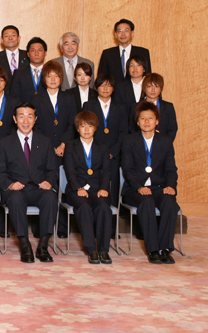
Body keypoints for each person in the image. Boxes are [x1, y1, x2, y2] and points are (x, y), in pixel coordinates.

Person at [0, 103, 58, 263]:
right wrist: (9, 184)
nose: (25, 120)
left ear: (35, 119)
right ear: (15, 119)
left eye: (30, 116)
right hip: (16, 189)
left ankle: (43, 245)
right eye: (21, 116)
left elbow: (52, 170)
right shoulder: (5, 143)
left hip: (38, 188)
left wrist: (49, 182)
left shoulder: (45, 142)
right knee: (15, 199)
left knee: (50, 197)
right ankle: (25, 245)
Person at [121, 102, 179, 264]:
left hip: (159, 187)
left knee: (169, 202)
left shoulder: (165, 141)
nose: (147, 121)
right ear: (137, 122)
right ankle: (153, 249)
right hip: (135, 189)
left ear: (157, 121)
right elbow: (128, 169)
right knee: (146, 202)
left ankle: (166, 249)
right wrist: (139, 187)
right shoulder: (129, 141)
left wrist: (170, 186)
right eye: (143, 118)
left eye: (150, 118)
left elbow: (171, 169)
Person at [63, 111, 112, 264]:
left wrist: (104, 188)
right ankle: (91, 250)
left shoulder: (102, 146)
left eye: (89, 126)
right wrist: (78, 188)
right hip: (76, 189)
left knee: (104, 207)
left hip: (98, 189)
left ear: (95, 128)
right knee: (83, 206)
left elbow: (105, 171)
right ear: (77, 128)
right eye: (82, 126)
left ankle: (104, 250)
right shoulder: (70, 146)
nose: (86, 129)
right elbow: (69, 171)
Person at [82, 73, 128, 236]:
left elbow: (123, 132)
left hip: (113, 156)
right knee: (94, 187)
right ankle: (94, 227)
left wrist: (113, 152)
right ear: (96, 88)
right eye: (102, 85)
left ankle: (111, 229)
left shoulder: (120, 107)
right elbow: (84, 130)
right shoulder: (88, 105)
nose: (105, 88)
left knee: (112, 189)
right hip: (94, 155)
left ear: (113, 88)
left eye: (109, 85)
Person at [30, 60, 76, 160]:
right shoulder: (36, 99)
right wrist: (48, 145)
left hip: (65, 148)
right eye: (49, 76)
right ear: (44, 78)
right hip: (43, 148)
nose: (53, 79)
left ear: (61, 78)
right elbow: (34, 124)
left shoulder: (69, 98)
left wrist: (63, 144)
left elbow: (72, 123)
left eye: (56, 76)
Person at [98, 19, 152, 86]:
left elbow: (148, 77)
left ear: (132, 33)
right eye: (120, 31)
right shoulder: (107, 54)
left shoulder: (143, 52)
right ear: (116, 35)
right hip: (114, 94)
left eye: (126, 30)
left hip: (137, 93)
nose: (123, 34)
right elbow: (101, 78)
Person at [130, 73, 178, 140]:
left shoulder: (168, 107)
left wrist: (165, 144)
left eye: (156, 86)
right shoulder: (135, 107)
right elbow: (132, 129)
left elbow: (172, 129)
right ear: (144, 88)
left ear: (161, 88)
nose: (153, 90)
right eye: (149, 86)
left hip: (163, 146)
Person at [114, 55, 149, 132]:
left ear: (144, 69)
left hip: (147, 129)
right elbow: (117, 110)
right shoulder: (120, 87)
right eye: (132, 65)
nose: (135, 68)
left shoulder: (150, 86)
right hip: (126, 130)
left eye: (138, 65)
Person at [10, 37, 47, 103]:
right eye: (33, 50)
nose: (36, 53)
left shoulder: (50, 73)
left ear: (45, 53)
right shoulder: (18, 73)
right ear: (28, 54)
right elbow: (14, 97)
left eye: (40, 50)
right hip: (25, 112)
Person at [0, 25, 30, 90]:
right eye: (6, 36)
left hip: (25, 96)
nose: (10, 38)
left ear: (19, 38)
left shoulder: (28, 55)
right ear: (2, 40)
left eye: (13, 35)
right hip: (4, 96)